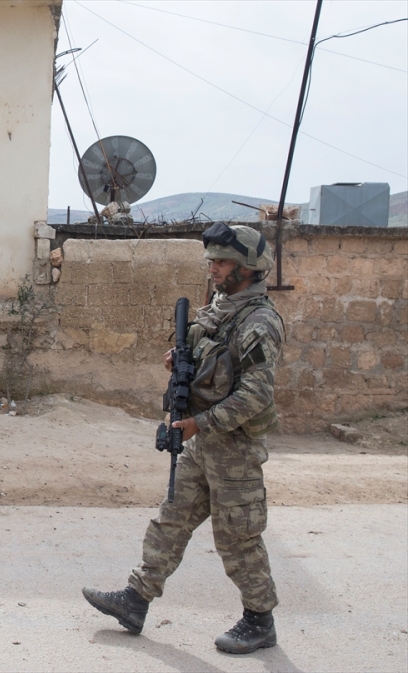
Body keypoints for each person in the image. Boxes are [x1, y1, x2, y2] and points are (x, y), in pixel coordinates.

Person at [82, 223, 285, 655]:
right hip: (202, 440)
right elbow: (208, 351)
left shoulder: (260, 322)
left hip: (234, 449)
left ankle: (259, 620)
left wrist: (200, 423)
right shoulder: (222, 306)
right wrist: (182, 358)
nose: (213, 268)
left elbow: (256, 395)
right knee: (171, 519)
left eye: (223, 262)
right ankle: (135, 600)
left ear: (248, 268)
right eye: (211, 260)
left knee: (238, 536)